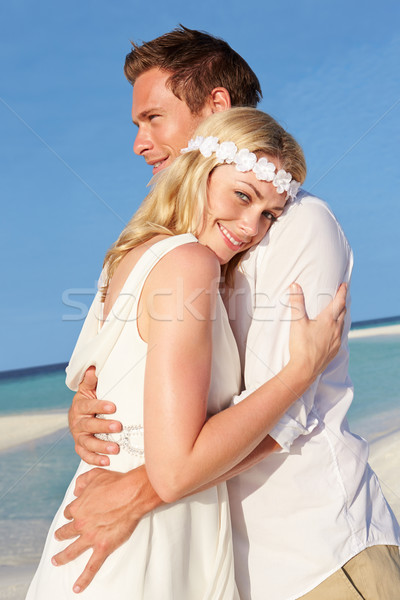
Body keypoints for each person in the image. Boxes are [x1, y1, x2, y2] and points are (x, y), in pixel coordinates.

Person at [59, 27, 400, 600]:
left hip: (312, 555)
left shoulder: (299, 225)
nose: (141, 143)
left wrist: (139, 493)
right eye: (137, 125)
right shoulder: (159, 245)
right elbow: (106, 367)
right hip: (215, 560)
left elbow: (285, 410)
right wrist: (86, 413)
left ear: (215, 106)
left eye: (154, 118)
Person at [26, 108, 345, 599]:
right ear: (200, 170)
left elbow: (86, 378)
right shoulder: (189, 264)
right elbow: (174, 472)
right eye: (242, 196)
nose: (251, 226)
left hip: (107, 517)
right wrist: (301, 370)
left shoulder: (129, 256)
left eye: (269, 214)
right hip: (144, 539)